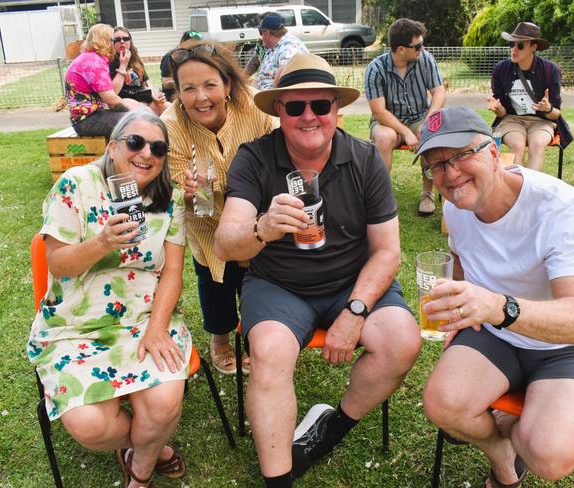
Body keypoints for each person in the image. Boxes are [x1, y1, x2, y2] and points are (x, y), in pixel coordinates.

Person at [214, 53, 421, 487]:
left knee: (401, 340)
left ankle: (331, 429)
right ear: (278, 113)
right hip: (279, 285)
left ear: (336, 111)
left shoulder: (364, 158)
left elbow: (387, 252)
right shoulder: (254, 158)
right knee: (268, 354)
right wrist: (264, 227)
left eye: (320, 106)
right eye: (295, 107)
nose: (309, 116)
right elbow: (226, 243)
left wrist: (357, 309)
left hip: (352, 280)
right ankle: (279, 481)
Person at [416, 106, 574, 487]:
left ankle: (521, 424)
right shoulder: (457, 207)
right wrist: (462, 312)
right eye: (436, 166)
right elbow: (463, 259)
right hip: (499, 335)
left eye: (461, 156)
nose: (450, 174)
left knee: (548, 454)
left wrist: (497, 306)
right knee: (443, 404)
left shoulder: (558, 206)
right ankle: (502, 454)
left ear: (494, 152)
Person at [27, 110, 191, 488]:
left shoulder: (171, 198)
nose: (146, 153)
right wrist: (101, 242)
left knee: (164, 404)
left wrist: (156, 329)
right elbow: (58, 264)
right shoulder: (77, 184)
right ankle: (151, 444)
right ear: (114, 146)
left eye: (158, 148)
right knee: (89, 425)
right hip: (76, 323)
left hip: (145, 316)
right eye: (136, 142)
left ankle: (141, 473)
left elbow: (172, 272)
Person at [161, 39, 274, 374]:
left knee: (259, 279)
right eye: (188, 88)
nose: (201, 97)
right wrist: (189, 191)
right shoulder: (171, 124)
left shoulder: (254, 106)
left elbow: (278, 151)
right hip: (206, 220)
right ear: (177, 91)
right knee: (215, 281)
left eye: (210, 85)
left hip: (256, 214)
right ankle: (220, 339)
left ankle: (259, 333)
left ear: (227, 84)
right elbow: (178, 184)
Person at [365, 18, 445, 216]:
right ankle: (379, 197)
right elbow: (379, 111)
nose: (422, 49)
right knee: (385, 137)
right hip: (387, 121)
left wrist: (428, 121)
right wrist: (404, 132)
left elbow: (439, 92)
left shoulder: (425, 59)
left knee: (428, 133)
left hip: (419, 116)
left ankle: (427, 193)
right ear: (401, 49)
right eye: (417, 46)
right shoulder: (375, 69)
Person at [486, 22, 572, 170]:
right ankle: (515, 189)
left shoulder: (550, 70)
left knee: (537, 145)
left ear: (533, 47)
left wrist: (548, 108)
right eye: (512, 45)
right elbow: (504, 113)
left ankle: (529, 189)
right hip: (512, 119)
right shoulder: (500, 70)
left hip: (542, 121)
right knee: (517, 146)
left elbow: (556, 113)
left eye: (520, 46)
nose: (514, 50)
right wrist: (498, 108)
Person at [65, 24, 146, 137]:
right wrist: (134, 113)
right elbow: (111, 100)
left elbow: (111, 93)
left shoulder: (91, 58)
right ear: (105, 41)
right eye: (113, 40)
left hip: (88, 117)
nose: (115, 43)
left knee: (138, 112)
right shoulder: (94, 62)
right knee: (139, 122)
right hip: (88, 121)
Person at [109, 26, 169, 116]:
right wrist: (123, 65)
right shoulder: (108, 61)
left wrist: (154, 95)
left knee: (169, 109)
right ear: (111, 42)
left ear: (130, 41)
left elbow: (146, 83)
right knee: (145, 113)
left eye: (125, 39)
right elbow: (113, 92)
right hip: (124, 102)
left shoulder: (135, 60)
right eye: (117, 39)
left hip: (144, 99)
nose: (122, 41)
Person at [253, 12, 308, 90]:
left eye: (261, 32)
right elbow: (260, 75)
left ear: (267, 33)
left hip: (275, 96)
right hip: (260, 92)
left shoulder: (289, 45)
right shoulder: (272, 47)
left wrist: (272, 96)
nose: (261, 36)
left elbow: (284, 71)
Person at [159, 30, 204, 101]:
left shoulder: (201, 56)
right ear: (182, 44)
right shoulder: (170, 56)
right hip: (173, 97)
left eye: (198, 45)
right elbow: (166, 83)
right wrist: (188, 81)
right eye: (191, 45)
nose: (194, 48)